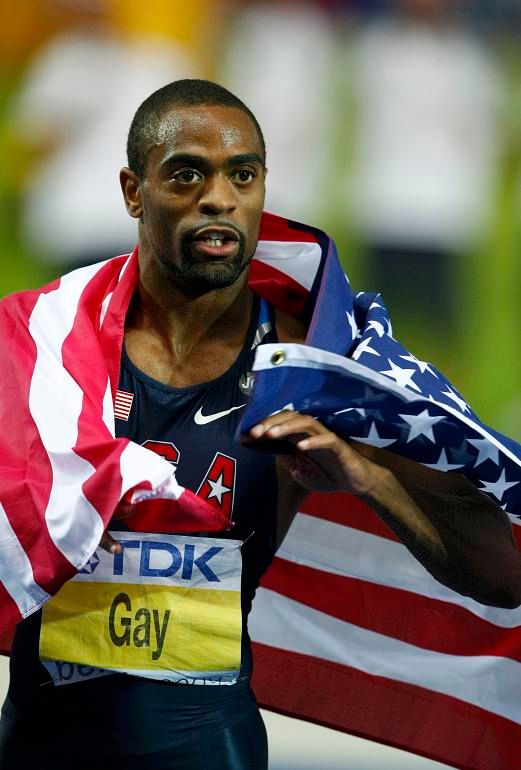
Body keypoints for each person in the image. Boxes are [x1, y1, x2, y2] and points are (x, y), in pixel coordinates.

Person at [0, 79, 520, 770]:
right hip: (37, 751)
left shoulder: (315, 368)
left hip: (211, 750)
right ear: (133, 191)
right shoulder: (35, 350)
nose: (218, 197)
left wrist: (366, 478)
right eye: (187, 174)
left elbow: (502, 574)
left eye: (241, 175)